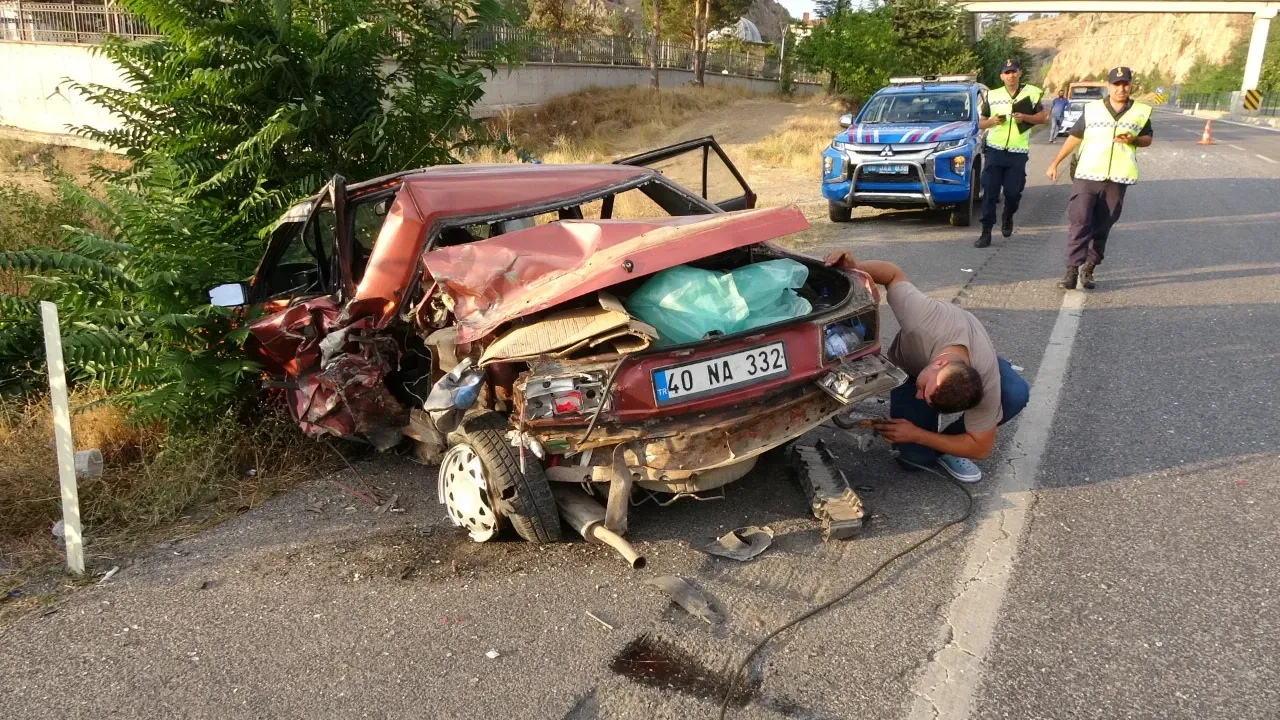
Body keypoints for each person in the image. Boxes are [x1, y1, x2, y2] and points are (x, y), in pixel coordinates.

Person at [824, 250, 1030, 483]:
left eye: (925, 395)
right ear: (939, 363)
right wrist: (852, 269)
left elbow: (981, 449)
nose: (919, 395)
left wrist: (919, 435)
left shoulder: (985, 381)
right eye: (925, 390)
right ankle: (940, 438)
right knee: (914, 461)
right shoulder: (922, 317)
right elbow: (892, 274)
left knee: (1014, 394)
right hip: (913, 366)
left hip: (977, 361)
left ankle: (947, 445)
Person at [1046, 66, 1153, 290]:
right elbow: (1075, 137)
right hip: (1087, 173)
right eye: (1116, 84)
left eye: (1125, 84)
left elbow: (1147, 139)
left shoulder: (1141, 111)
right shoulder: (1093, 110)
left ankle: (1089, 269)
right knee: (1080, 220)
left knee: (1103, 225)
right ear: (1108, 86)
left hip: (1117, 178)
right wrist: (1055, 162)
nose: (1121, 88)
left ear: (1131, 85)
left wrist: (1133, 139)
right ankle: (1071, 271)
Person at [975, 58, 1048, 249]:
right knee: (989, 193)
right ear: (1001, 76)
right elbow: (980, 123)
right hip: (995, 150)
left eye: (1014, 71)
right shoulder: (993, 95)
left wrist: (1025, 117)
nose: (1011, 75)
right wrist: (992, 122)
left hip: (1017, 152)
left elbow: (1043, 118)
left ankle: (1008, 216)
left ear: (1019, 72)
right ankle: (986, 232)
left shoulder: (1031, 93)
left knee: (1013, 193)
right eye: (1007, 72)